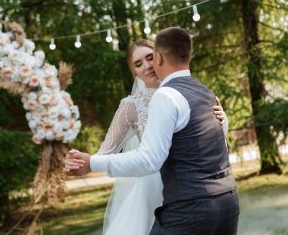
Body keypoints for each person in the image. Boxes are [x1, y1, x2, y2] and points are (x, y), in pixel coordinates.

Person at [64, 37, 231, 235]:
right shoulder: (131, 106)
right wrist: (85, 162)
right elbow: (105, 151)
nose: (147, 66)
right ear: (134, 71)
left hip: (195, 186)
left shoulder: (192, 91)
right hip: (151, 190)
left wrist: (224, 121)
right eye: (138, 64)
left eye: (150, 57)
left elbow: (212, 142)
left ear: (161, 57)